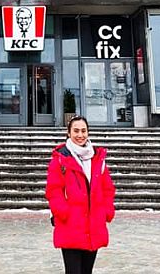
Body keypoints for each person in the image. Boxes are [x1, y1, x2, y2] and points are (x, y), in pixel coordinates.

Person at [46, 116, 116, 274]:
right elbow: (53, 190)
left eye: (83, 131)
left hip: (94, 224)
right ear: (68, 133)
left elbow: (108, 189)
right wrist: (63, 212)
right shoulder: (60, 159)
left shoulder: (98, 159)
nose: (80, 135)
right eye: (76, 131)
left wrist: (106, 211)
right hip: (71, 224)